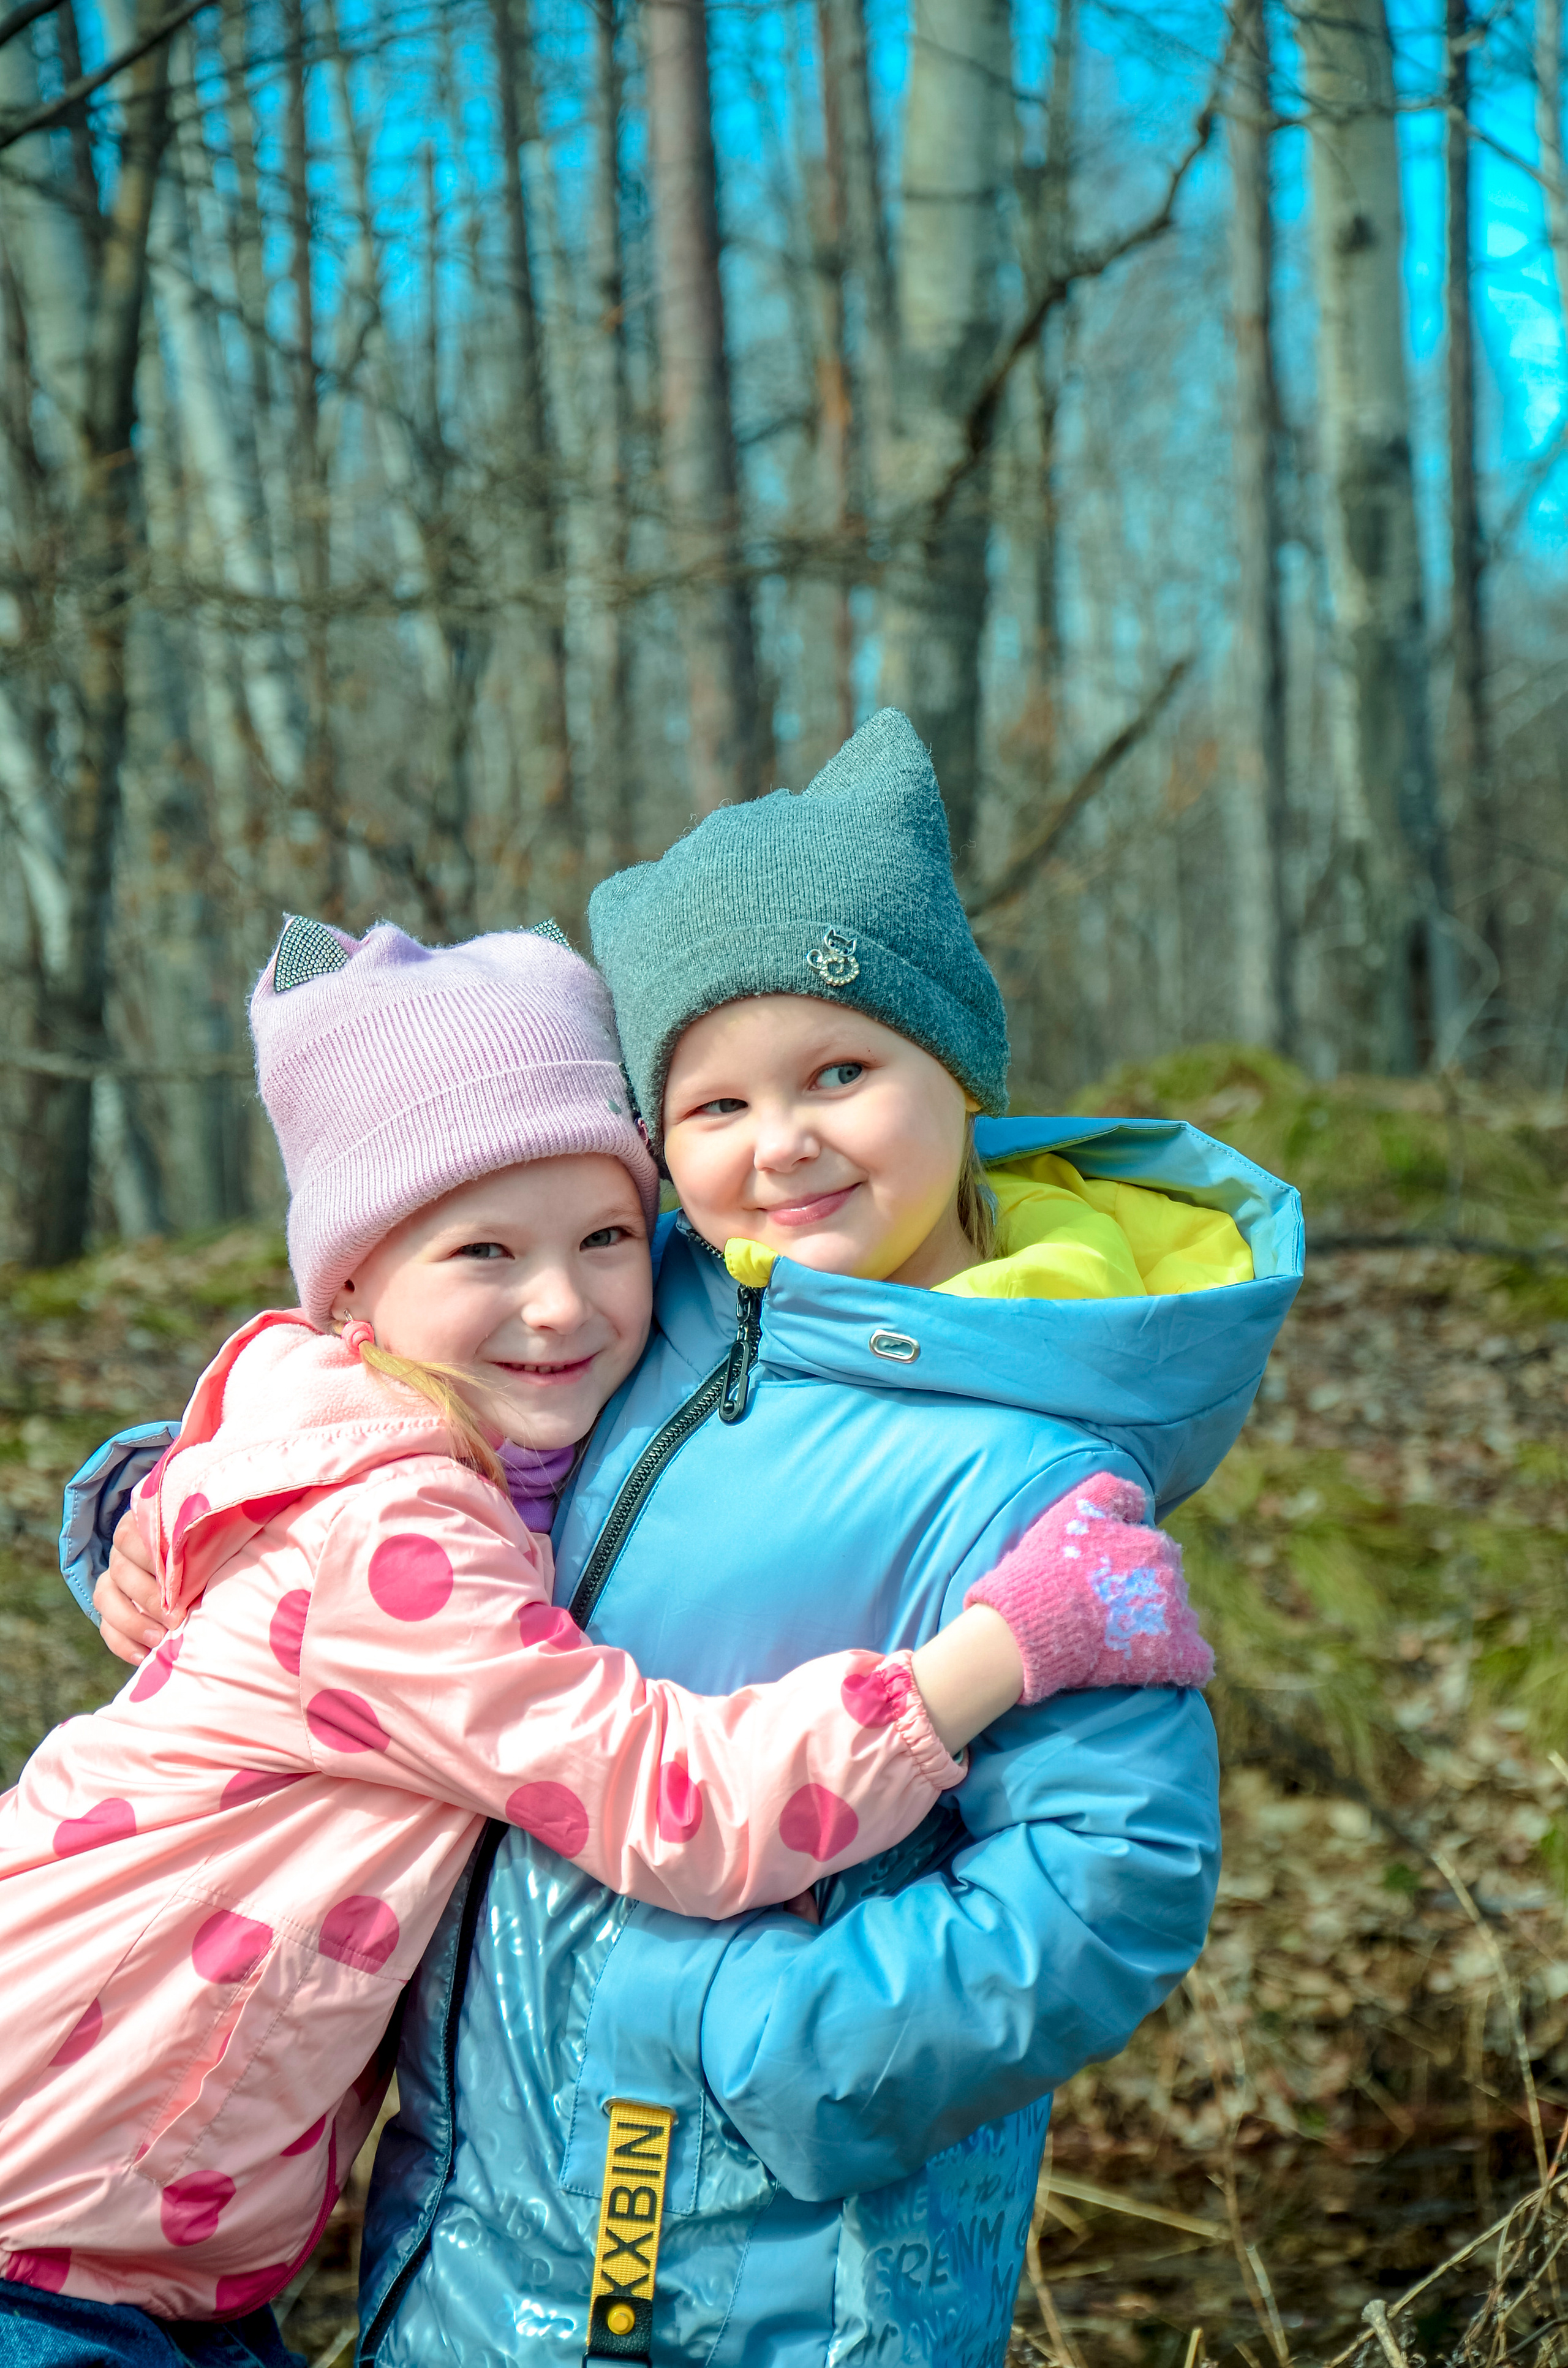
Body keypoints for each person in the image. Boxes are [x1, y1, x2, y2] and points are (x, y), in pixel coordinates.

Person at [83, 713, 1294, 2367]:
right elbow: (417, 1368)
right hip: (462, 2217)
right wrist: (193, 1493)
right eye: (714, 1100)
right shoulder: (644, 1314)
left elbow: (1116, 1874)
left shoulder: (1029, 1470)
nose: (779, 1141)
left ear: (962, 1072)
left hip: (751, 2265)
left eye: (842, 1071)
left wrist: (757, 2041)